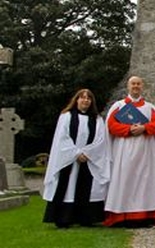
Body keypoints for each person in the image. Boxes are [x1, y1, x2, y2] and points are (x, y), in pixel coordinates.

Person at [43, 89, 109, 228]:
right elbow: (62, 138)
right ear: (76, 100)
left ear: (92, 102)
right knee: (68, 186)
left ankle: (87, 218)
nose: (85, 100)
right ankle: (63, 218)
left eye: (88, 98)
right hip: (70, 160)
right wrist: (76, 153)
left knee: (88, 187)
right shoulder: (66, 116)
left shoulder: (97, 119)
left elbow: (100, 139)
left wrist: (87, 153)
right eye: (82, 98)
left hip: (89, 160)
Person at [104, 76, 155, 227]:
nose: (136, 86)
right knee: (124, 181)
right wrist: (129, 129)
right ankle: (122, 216)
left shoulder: (150, 108)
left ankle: (143, 216)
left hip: (144, 153)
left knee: (144, 183)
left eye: (138, 84)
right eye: (133, 84)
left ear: (142, 86)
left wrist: (144, 128)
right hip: (124, 151)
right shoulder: (119, 106)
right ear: (128, 86)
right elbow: (111, 126)